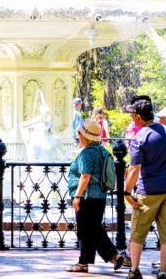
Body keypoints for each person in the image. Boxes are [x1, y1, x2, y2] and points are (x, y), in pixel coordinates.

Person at [66, 118, 123, 273]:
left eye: (80, 133)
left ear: (84, 135)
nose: (78, 135)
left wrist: (77, 196)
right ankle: (86, 261)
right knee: (92, 229)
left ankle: (112, 256)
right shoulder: (101, 150)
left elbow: (85, 176)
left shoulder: (87, 153)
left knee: (88, 230)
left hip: (87, 197)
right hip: (99, 197)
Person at [124, 99, 166, 279]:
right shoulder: (164, 132)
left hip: (147, 191)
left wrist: (126, 192)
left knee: (137, 233)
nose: (132, 117)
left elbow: (134, 169)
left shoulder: (140, 138)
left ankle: (134, 270)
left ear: (139, 118)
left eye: (133, 115)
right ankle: (164, 271)